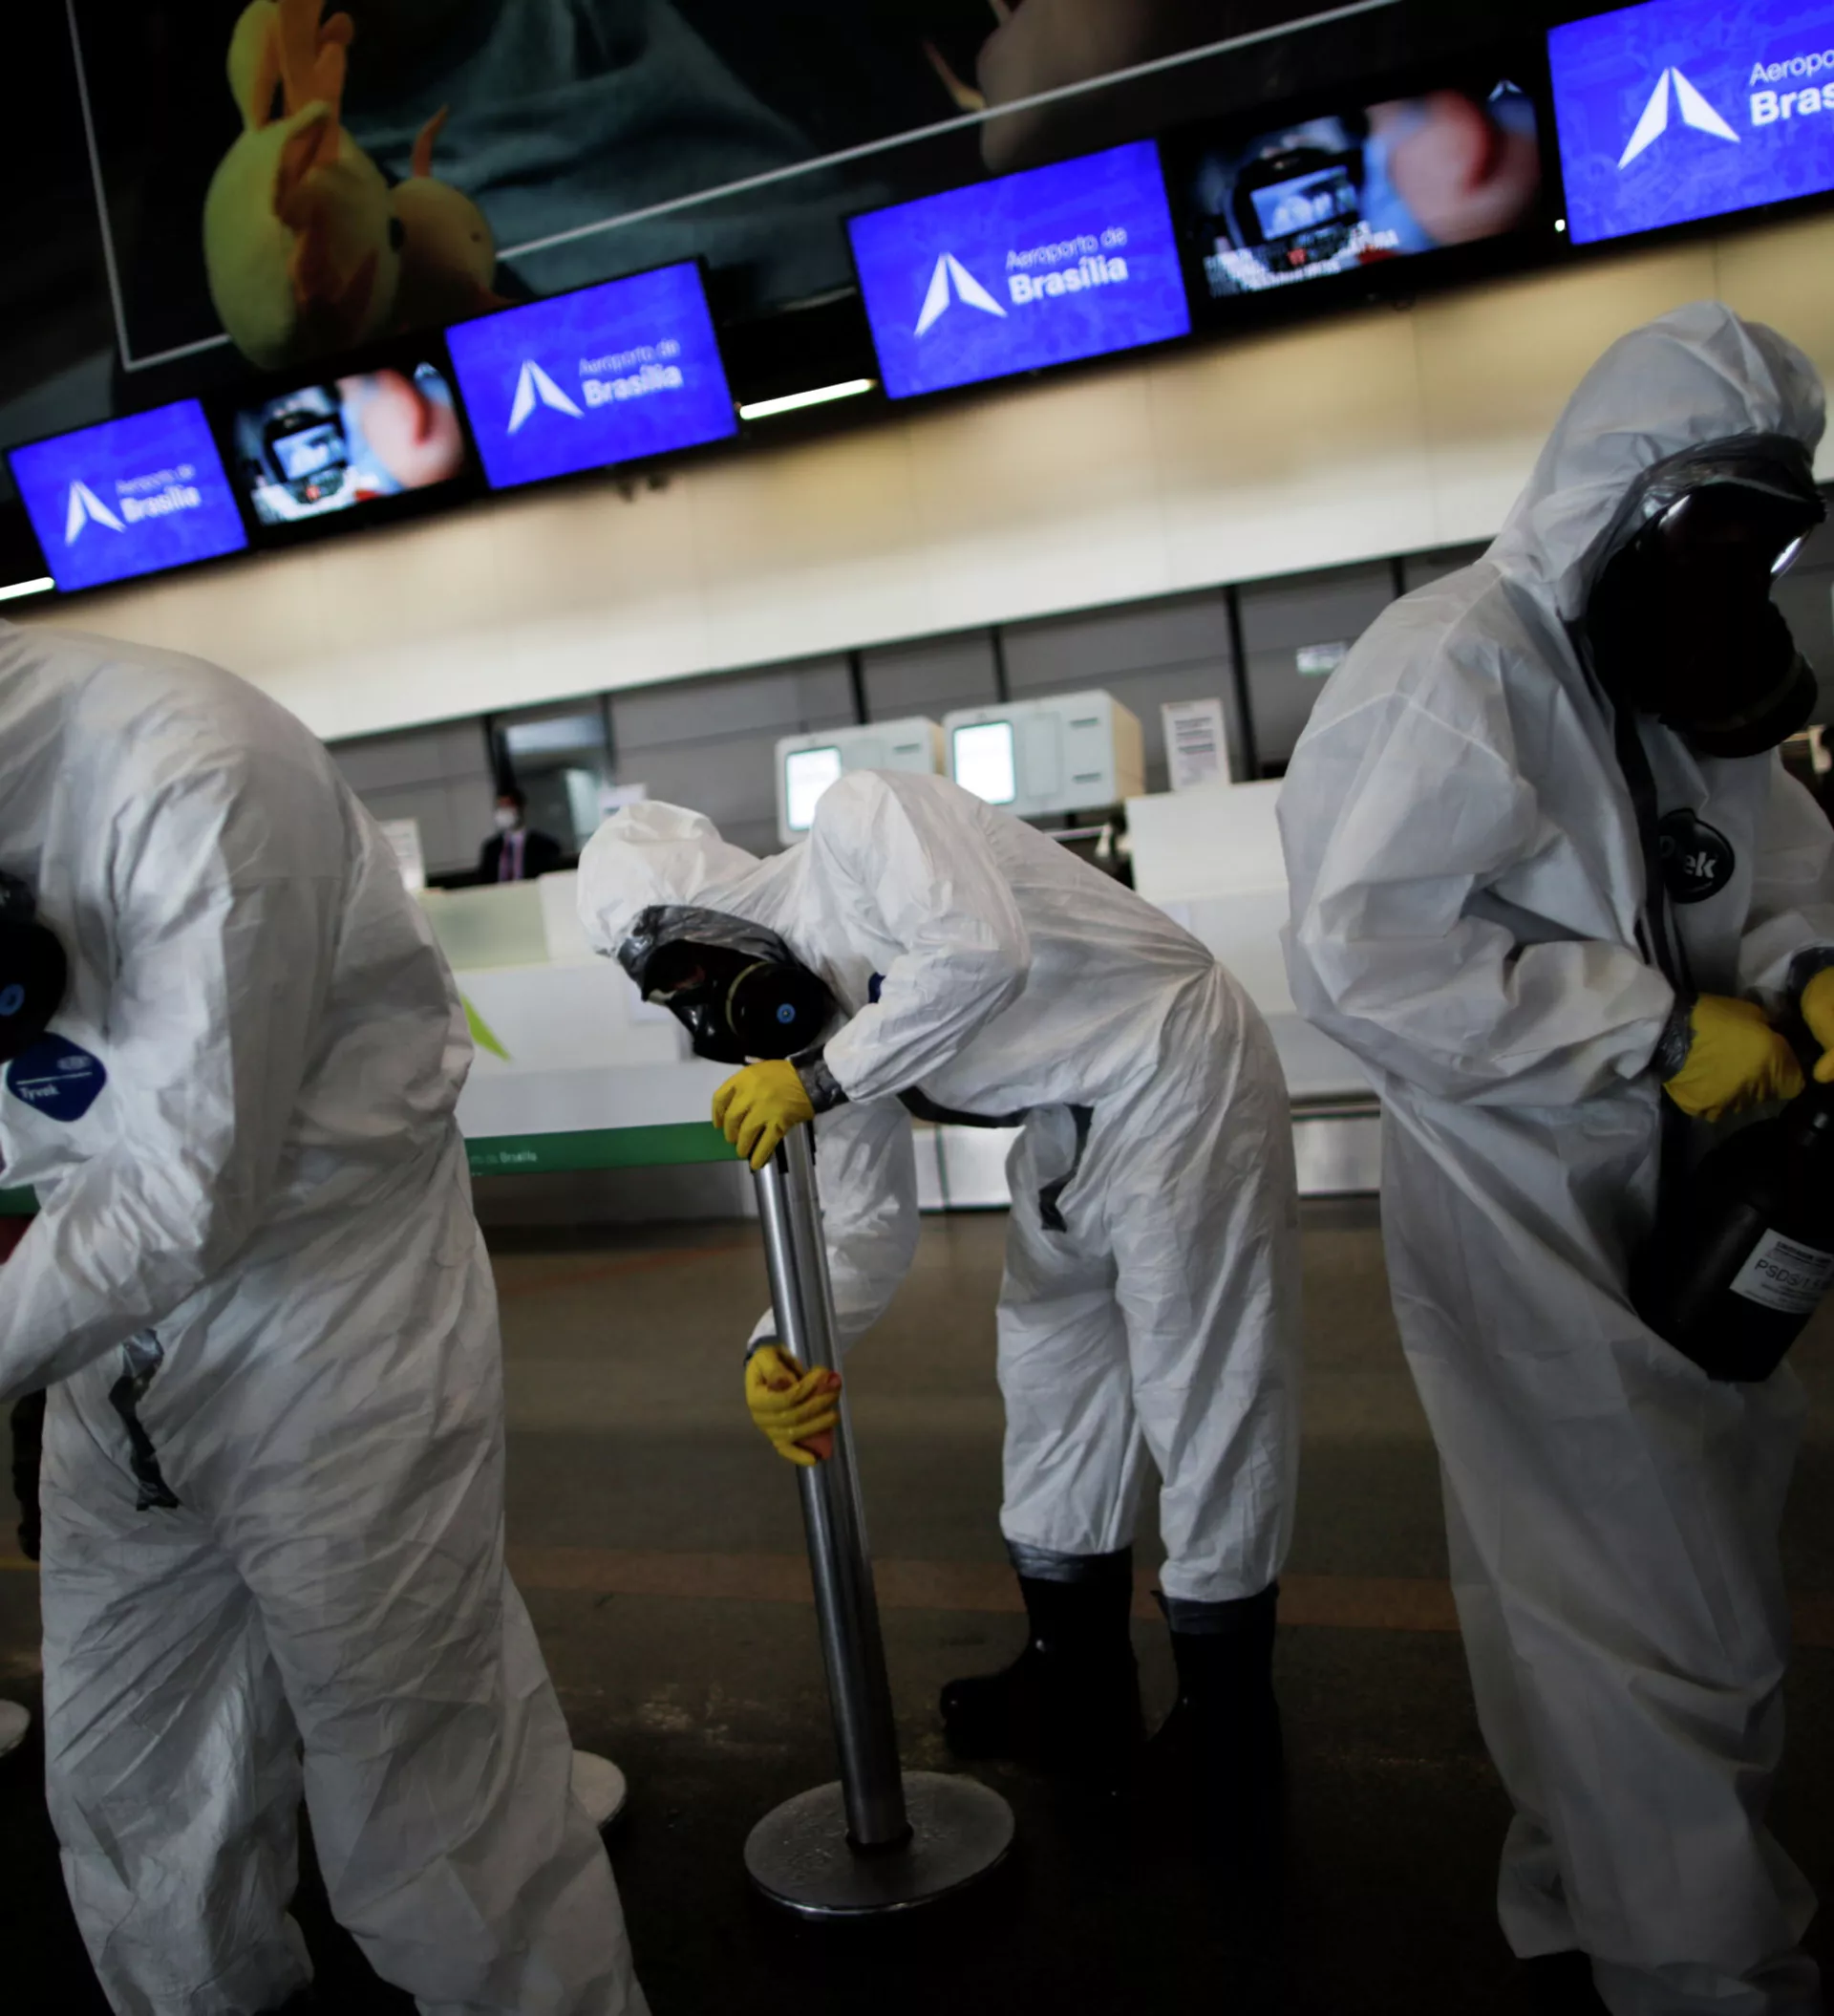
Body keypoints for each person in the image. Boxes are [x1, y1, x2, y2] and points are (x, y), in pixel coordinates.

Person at [1278, 302, 1834, 2016]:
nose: (1735, 565)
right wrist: (1652, 1032)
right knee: (1671, 1615)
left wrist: (1809, 966)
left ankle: (1576, 1901)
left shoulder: (1675, 650)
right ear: (1622, 492)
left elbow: (1766, 856)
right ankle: (1705, 1974)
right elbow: (1366, 958)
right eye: (1712, 522)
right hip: (1524, 1198)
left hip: (1683, 1175)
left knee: (1568, 1591)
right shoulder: (1457, 667)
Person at [0, 622, 647, 2016]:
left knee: (431, 1804)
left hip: (329, 1330)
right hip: (100, 1349)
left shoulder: (195, 773)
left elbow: (184, 1195)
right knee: (130, 1780)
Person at [577, 779, 1301, 1843]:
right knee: (1050, 1379)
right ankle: (1074, 1671)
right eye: (666, 995)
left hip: (1177, 1070)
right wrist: (776, 1345)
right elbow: (865, 1227)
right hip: (1069, 1120)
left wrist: (820, 1078)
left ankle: (1229, 1726)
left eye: (684, 969)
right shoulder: (817, 1026)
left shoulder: (862, 822)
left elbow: (978, 954)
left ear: (707, 906)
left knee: (1202, 1386)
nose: (695, 1006)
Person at [479, 784, 564, 884]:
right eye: (500, 807)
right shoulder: (491, 848)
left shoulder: (544, 846)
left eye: (507, 806)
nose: (503, 812)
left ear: (520, 808)